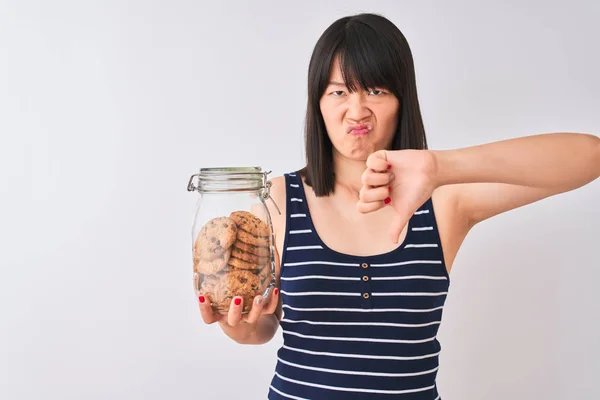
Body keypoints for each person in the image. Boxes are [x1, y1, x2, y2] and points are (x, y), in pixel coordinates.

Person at [197, 13, 599, 399]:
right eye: (338, 91)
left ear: (402, 98)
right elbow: (264, 326)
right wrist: (239, 325)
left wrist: (440, 166)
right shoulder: (276, 199)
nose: (356, 111)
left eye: (375, 90)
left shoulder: (443, 200)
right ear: (317, 103)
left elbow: (589, 157)